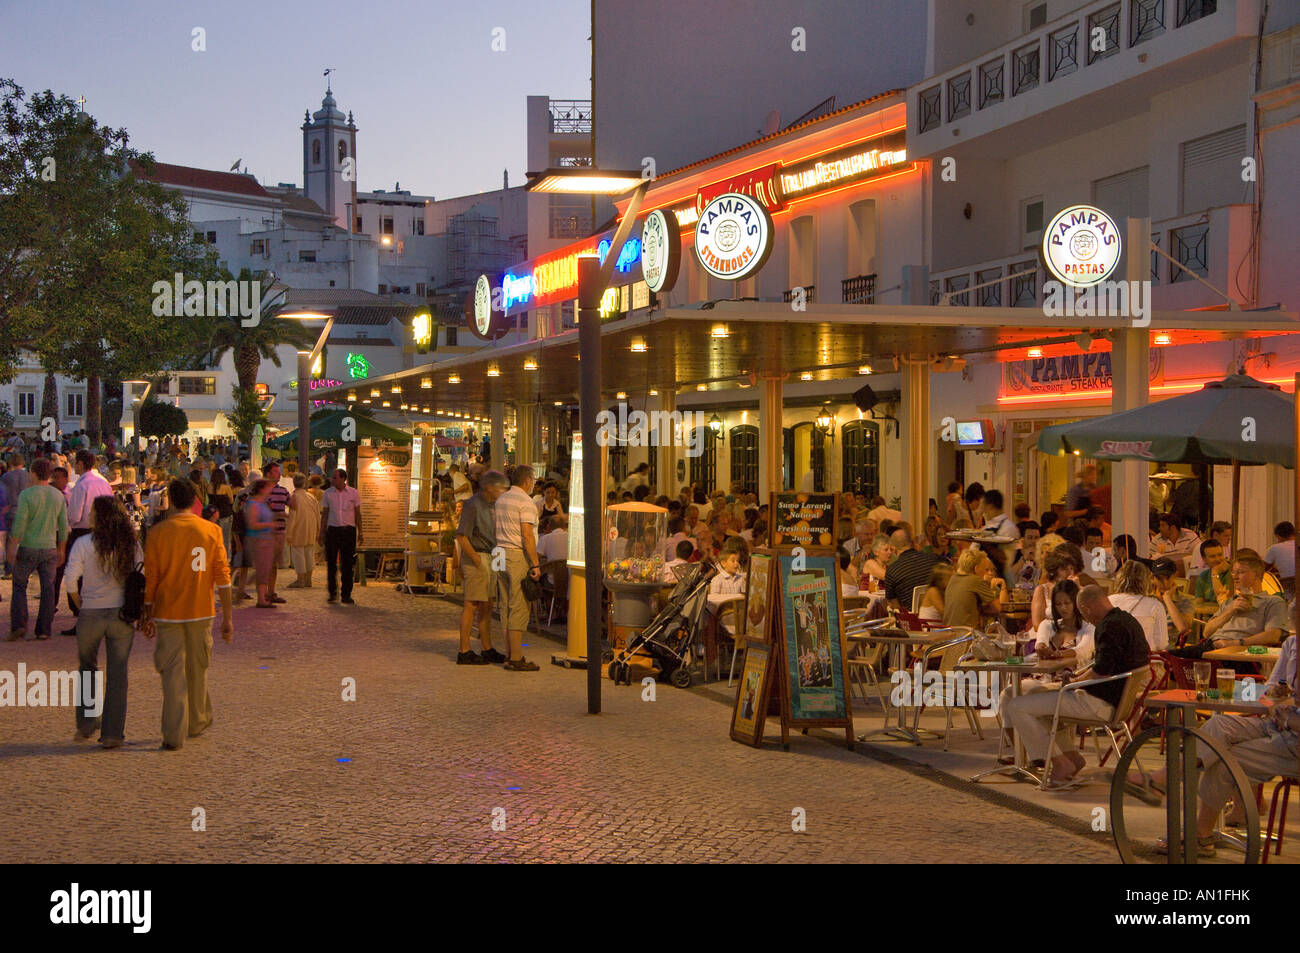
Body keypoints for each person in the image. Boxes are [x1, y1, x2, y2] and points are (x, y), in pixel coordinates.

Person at [1128, 634, 1298, 857]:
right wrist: (1273, 700)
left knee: (1225, 759)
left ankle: (1200, 834)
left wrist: (1288, 717)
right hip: (1276, 724)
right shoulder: (1291, 644)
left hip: (1294, 740)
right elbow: (1266, 694)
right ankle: (1164, 779)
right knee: (1219, 724)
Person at [1004, 585, 1149, 786]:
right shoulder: (1128, 621)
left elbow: (1101, 672)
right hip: (1118, 702)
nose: (1086, 618)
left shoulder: (1108, 627)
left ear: (1086, 609)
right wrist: (1074, 681)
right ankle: (1072, 758)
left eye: (1083, 613)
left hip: (1098, 703)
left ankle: (1060, 763)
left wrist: (1072, 684)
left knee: (1017, 706)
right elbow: (1103, 667)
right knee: (1037, 700)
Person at [140, 478, 232, 750]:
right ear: (194, 500)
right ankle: (196, 720)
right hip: (201, 610)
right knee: (198, 668)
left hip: (167, 613)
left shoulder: (158, 533)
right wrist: (227, 617)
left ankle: (173, 732)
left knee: (171, 673)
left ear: (170, 501)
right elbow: (223, 577)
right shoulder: (211, 531)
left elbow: (151, 578)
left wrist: (148, 613)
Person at [66, 496, 141, 748]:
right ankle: (112, 733)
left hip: (91, 612)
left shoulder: (83, 543)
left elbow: (70, 580)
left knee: (87, 667)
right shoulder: (131, 545)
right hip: (121, 615)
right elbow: (143, 576)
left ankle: (87, 722)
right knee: (118, 674)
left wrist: (80, 605)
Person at [1170, 553, 1291, 662]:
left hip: (1240, 653)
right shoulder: (1230, 602)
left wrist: (1234, 643)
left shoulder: (1272, 602)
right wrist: (1231, 610)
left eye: (1241, 572)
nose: (1235, 576)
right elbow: (1206, 632)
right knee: (1168, 658)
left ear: (1257, 575)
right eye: (1234, 572)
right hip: (1211, 647)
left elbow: (1273, 636)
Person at [6, 458, 69, 641]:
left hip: (28, 546)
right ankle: (44, 629)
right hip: (49, 547)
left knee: (19, 585)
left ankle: (19, 624)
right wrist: (62, 549)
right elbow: (64, 526)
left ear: (32, 473)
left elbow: (19, 524)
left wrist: (12, 546)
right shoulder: (58, 495)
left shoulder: (27, 495)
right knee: (48, 589)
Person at [59, 449, 115, 635]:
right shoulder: (103, 483)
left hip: (83, 531)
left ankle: (82, 617)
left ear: (81, 464)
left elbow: (74, 515)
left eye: (76, 463)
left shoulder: (82, 485)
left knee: (78, 576)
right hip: (104, 531)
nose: (74, 466)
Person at [454, 470, 507, 665]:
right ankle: (464, 650)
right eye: (501, 488)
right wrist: (476, 559)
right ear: (490, 487)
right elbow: (462, 535)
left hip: (490, 556)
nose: (503, 491)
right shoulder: (473, 505)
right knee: (472, 603)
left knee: (487, 604)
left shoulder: (494, 505)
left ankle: (487, 647)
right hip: (478, 556)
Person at [493, 465, 542, 671]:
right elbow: (527, 535)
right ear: (527, 481)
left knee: (505, 604)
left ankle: (508, 652)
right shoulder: (526, 502)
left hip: (499, 552)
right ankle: (516, 657)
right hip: (515, 553)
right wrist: (535, 563)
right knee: (519, 604)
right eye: (534, 480)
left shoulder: (501, 499)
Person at [319, 468, 363, 605]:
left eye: (335, 478)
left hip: (348, 531)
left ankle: (346, 594)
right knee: (331, 563)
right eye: (333, 478)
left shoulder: (353, 493)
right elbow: (325, 513)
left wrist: (360, 531)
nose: (333, 480)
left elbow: (357, 514)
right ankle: (332, 593)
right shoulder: (328, 494)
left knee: (347, 564)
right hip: (333, 531)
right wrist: (321, 532)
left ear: (343, 478)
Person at [1106, 559, 1169, 652]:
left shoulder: (1108, 601)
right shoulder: (1155, 605)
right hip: (1144, 661)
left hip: (1113, 660)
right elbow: (1161, 643)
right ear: (1146, 581)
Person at [883, 527, 940, 610]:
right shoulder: (934, 560)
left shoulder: (892, 570)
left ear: (893, 548)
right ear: (913, 543)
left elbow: (894, 606)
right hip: (937, 616)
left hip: (911, 620)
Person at [943, 549, 1001, 628]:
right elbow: (997, 608)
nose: (986, 573)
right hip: (967, 634)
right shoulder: (976, 580)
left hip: (949, 632)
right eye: (985, 569)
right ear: (976, 569)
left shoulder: (953, 578)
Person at [242, 479, 277, 608]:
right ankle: (261, 598)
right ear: (262, 489)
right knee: (263, 569)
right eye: (268, 487)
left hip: (266, 539)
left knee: (265, 568)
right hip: (258, 540)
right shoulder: (253, 504)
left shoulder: (263, 503)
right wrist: (269, 524)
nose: (270, 490)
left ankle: (261, 596)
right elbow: (252, 524)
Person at [262, 461, 291, 603]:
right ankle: (265, 593)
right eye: (275, 471)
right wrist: (279, 515)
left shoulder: (283, 491)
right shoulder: (261, 491)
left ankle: (271, 592)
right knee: (267, 563)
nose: (279, 474)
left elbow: (292, 504)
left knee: (274, 563)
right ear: (268, 474)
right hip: (266, 532)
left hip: (280, 532)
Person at [286, 472, 320, 589]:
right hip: (311, 529)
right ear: (304, 483)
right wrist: (318, 530)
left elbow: (292, 517)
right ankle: (308, 580)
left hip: (298, 529)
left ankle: (300, 580)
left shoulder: (294, 497)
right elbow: (317, 515)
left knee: (298, 554)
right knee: (309, 554)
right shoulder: (311, 497)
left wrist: (289, 533)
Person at [1191, 538, 1231, 606]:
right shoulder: (1202, 577)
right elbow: (1198, 604)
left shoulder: (1232, 573)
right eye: (1212, 556)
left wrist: (1215, 572)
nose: (1217, 559)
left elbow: (1223, 602)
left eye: (1220, 555)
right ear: (1204, 559)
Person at [1264, 521, 1295, 592]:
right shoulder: (1297, 545)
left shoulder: (1275, 548)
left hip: (1288, 587)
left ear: (1279, 536)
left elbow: (1263, 569)